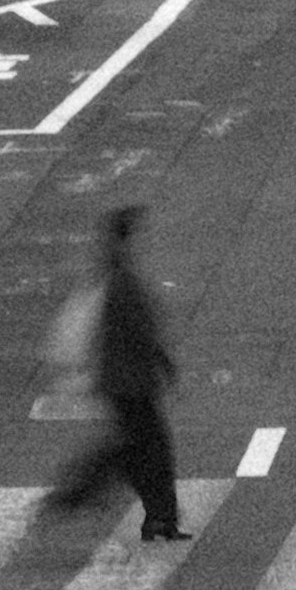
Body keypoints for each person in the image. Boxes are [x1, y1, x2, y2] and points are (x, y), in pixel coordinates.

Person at [47, 205, 181, 543]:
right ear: (126, 239)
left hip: (123, 381)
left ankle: (158, 517)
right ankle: (79, 493)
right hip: (129, 383)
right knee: (145, 451)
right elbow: (139, 332)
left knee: (142, 449)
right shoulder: (122, 282)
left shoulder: (115, 275)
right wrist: (163, 363)